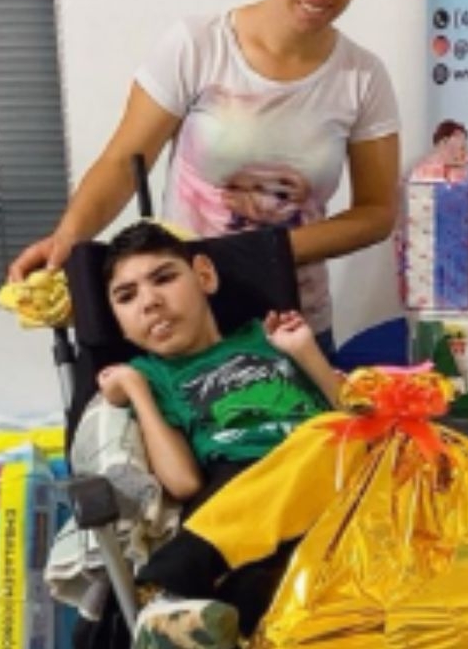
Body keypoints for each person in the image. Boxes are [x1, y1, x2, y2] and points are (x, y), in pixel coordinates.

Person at [8, 0, 400, 355]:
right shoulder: (198, 46)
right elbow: (123, 162)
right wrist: (67, 238)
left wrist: (268, 251)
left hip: (297, 330)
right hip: (185, 328)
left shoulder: (363, 77)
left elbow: (376, 213)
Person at [93, 220, 348, 649]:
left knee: (325, 449)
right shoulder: (153, 376)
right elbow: (184, 483)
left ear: (204, 276)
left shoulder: (268, 338)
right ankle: (191, 619)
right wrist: (137, 391)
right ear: (119, 323)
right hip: (237, 482)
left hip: (324, 465)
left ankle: (169, 588)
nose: (150, 302)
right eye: (126, 296)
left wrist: (304, 351)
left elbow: (353, 415)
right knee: (254, 582)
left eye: (164, 278)